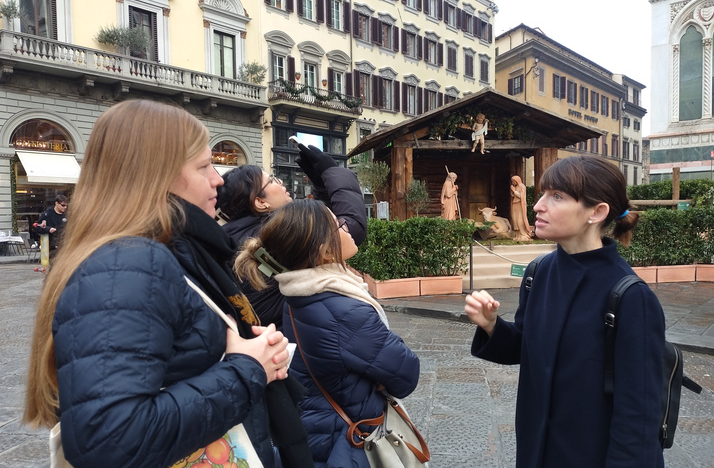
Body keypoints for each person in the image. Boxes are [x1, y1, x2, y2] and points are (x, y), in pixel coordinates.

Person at [23, 100, 312, 468]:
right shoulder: (129, 262)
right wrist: (247, 368)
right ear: (156, 175)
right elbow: (109, 438)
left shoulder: (158, 252)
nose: (218, 179)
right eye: (204, 166)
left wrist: (243, 353)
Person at [465, 155, 666, 468]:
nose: (537, 206)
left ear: (597, 212)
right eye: (543, 194)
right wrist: (492, 326)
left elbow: (639, 418)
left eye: (556, 196)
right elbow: (525, 347)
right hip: (535, 453)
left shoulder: (631, 297)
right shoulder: (538, 274)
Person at [234, 199, 420, 468]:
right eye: (339, 226)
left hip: (320, 429)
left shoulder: (299, 294)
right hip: (347, 443)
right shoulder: (342, 309)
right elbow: (407, 374)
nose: (347, 229)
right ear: (325, 253)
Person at [217, 145, 366, 331]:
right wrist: (333, 172)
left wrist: (322, 187)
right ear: (260, 202)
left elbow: (324, 225)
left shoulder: (236, 236)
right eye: (271, 180)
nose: (280, 182)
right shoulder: (273, 236)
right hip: (287, 341)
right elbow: (348, 232)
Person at [509, 175, 532, 241]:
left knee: (520, 220)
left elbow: (520, 196)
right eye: (512, 181)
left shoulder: (522, 186)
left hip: (520, 205)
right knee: (515, 220)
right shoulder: (515, 187)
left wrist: (514, 191)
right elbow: (514, 196)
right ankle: (518, 235)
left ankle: (524, 235)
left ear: (517, 180)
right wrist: (512, 192)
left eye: (514, 181)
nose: (513, 182)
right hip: (514, 205)